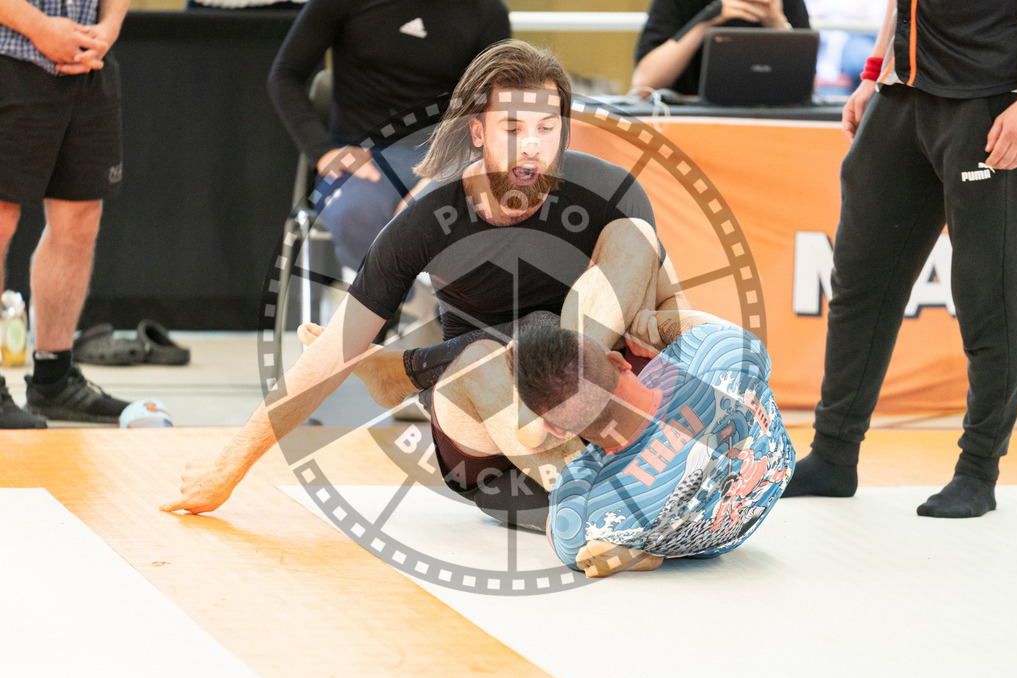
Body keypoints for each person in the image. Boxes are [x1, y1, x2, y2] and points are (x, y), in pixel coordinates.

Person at [163, 39, 688, 515]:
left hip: (603, 412)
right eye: (513, 129)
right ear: (478, 132)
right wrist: (225, 469)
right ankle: (600, 505)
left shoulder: (610, 190)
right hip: (495, 439)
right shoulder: (426, 221)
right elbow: (326, 358)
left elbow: (677, 317)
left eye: (546, 129)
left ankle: (411, 370)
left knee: (633, 239)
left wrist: (701, 399)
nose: (532, 146)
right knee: (486, 358)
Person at [782, 0, 1017, 518]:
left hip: (989, 98)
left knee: (991, 297)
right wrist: (874, 74)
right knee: (858, 281)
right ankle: (832, 456)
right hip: (903, 93)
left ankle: (978, 471)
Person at [510, 311, 793, 577]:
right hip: (773, 469)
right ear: (618, 361)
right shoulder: (718, 357)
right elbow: (722, 332)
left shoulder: (580, 500)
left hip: (706, 540)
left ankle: (644, 549)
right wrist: (657, 322)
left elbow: (561, 538)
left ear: (556, 429)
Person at [267, 0, 510, 285]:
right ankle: (378, 308)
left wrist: (445, 171)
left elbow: (496, 102)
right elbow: (285, 75)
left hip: (446, 156)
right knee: (356, 214)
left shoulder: (485, 10)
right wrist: (322, 153)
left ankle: (437, 310)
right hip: (363, 156)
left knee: (480, 218)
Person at [0, 0, 132, 428]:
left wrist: (108, 27)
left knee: (79, 221)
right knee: (0, 221)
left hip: (88, 66)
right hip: (10, 56)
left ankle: (53, 381)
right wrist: (37, 26)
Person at [632, 0, 810, 96]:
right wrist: (707, 21)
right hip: (693, 119)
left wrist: (777, 24)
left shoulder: (782, 3)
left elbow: (810, 85)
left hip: (770, 118)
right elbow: (644, 84)